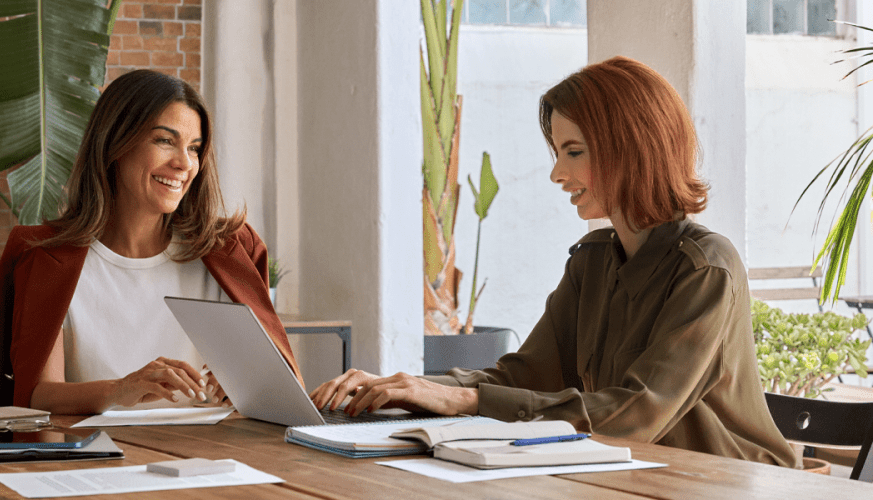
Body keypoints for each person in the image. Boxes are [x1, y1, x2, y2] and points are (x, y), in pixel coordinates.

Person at [309, 56, 798, 467]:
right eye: (558, 152)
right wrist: (409, 388)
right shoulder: (592, 262)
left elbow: (636, 414)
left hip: (734, 484)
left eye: (574, 151)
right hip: (632, 475)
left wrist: (464, 399)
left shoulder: (706, 267)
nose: (557, 173)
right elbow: (519, 377)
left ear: (631, 148)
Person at [0, 69, 302, 414]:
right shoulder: (46, 257)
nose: (184, 164)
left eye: (194, 148)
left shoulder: (231, 250)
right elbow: (39, 395)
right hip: (98, 459)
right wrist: (121, 390)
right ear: (115, 143)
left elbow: (277, 392)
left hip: (214, 459)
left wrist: (248, 384)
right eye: (164, 141)